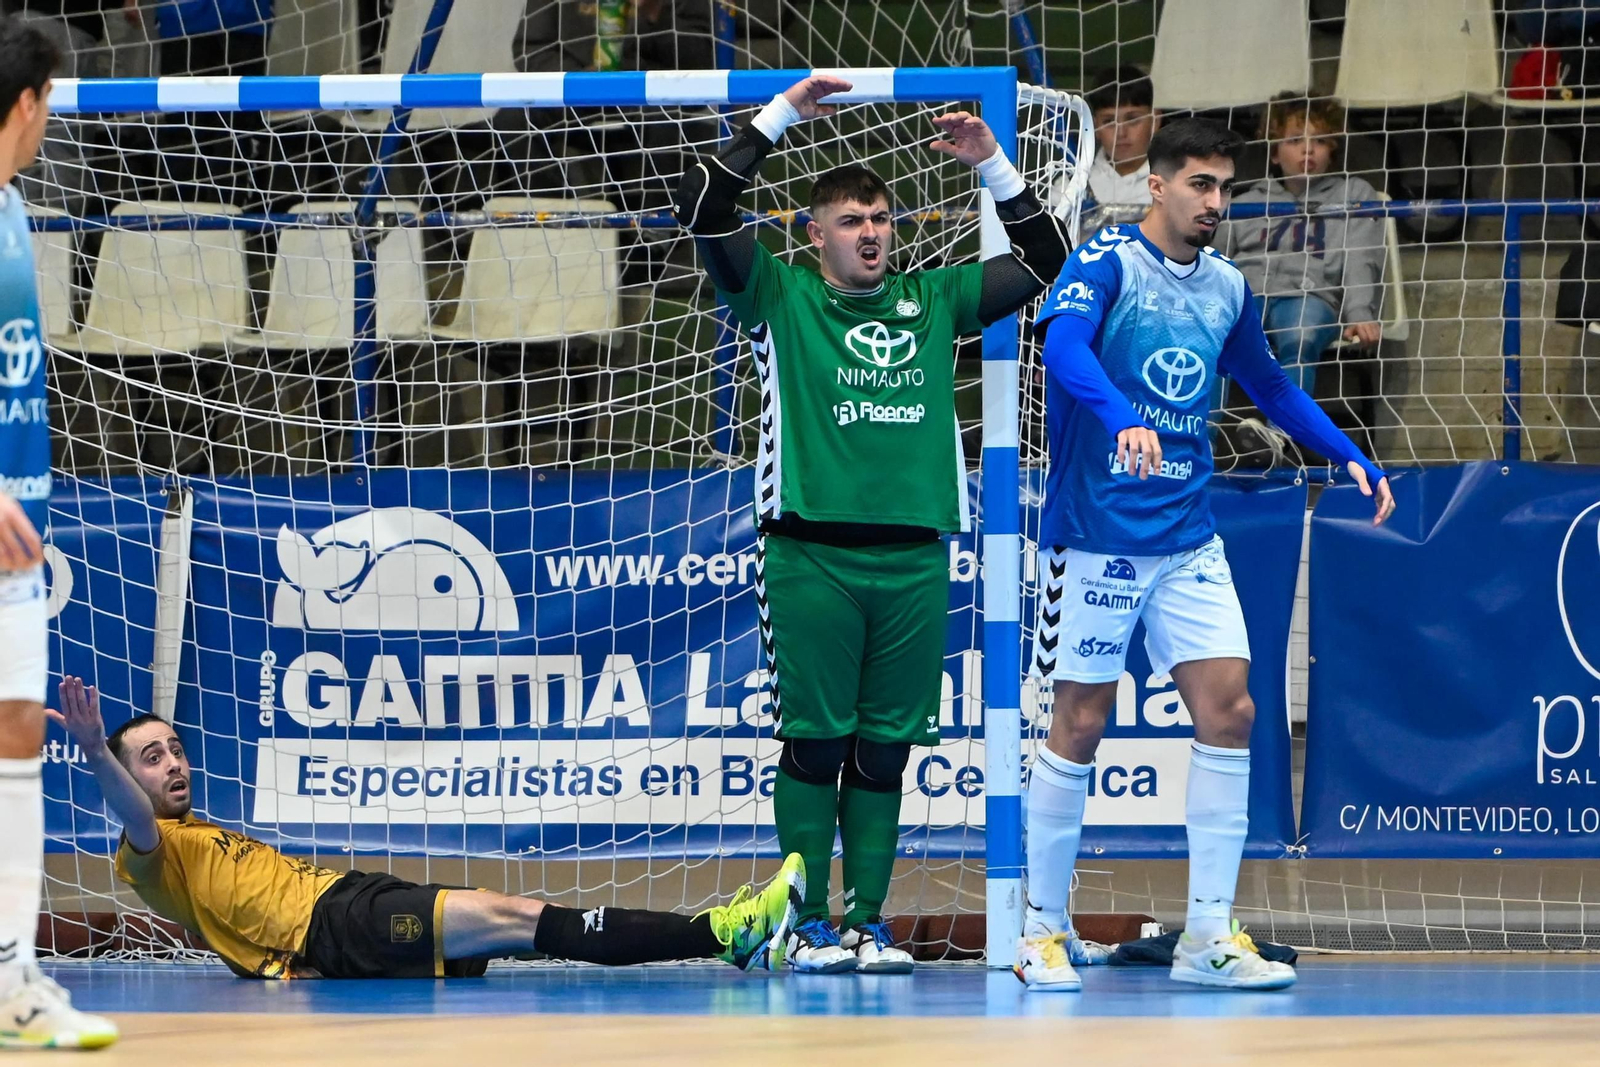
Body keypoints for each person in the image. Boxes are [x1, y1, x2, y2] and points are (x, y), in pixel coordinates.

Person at [672, 75, 1071, 973]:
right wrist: (778, 117)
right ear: (816, 235)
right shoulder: (776, 294)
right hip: (810, 552)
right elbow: (703, 206)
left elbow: (1049, 259)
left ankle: (866, 922)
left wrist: (994, 164)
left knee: (887, 752)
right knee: (816, 744)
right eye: (851, 220)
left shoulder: (935, 302)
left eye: (882, 218)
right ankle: (801, 920)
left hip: (915, 557)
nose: (871, 232)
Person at [1014, 117, 1395, 993]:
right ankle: (1041, 927)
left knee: (1231, 712)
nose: (1216, 202)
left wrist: (1347, 453)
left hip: (1187, 535)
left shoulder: (1227, 285)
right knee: (1080, 721)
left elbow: (1268, 383)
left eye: (1225, 187)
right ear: (1157, 185)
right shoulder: (1105, 263)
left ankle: (1209, 939)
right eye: (1200, 185)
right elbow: (1062, 350)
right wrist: (1123, 419)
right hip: (1097, 535)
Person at [49, 676, 804, 980]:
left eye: (176, 748)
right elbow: (135, 815)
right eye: (152, 757)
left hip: (349, 899)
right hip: (334, 924)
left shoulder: (201, 830)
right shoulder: (149, 851)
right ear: (127, 777)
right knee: (518, 916)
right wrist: (91, 747)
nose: (174, 762)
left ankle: (726, 936)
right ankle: (726, 931)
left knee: (520, 926)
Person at [0, 20, 119, 1050]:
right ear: (30, 101)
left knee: (17, 736)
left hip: (17, 542)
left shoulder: (13, 206)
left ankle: (12, 979)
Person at [1217, 93, 1386, 399]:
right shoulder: (1244, 203)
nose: (1308, 148)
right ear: (1275, 154)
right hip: (1249, 296)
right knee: (1216, 336)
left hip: (1311, 296)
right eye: (1295, 140)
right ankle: (1200, 438)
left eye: (1319, 141)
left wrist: (1360, 311)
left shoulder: (1354, 193)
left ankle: (1281, 434)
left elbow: (1361, 258)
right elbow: (1215, 263)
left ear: (1331, 150)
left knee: (1299, 335)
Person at [1084, 66, 1159, 209]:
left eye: (1132, 119)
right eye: (1109, 121)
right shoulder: (1070, 186)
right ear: (1095, 127)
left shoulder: (1174, 183)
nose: (1121, 133)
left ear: (1155, 121)